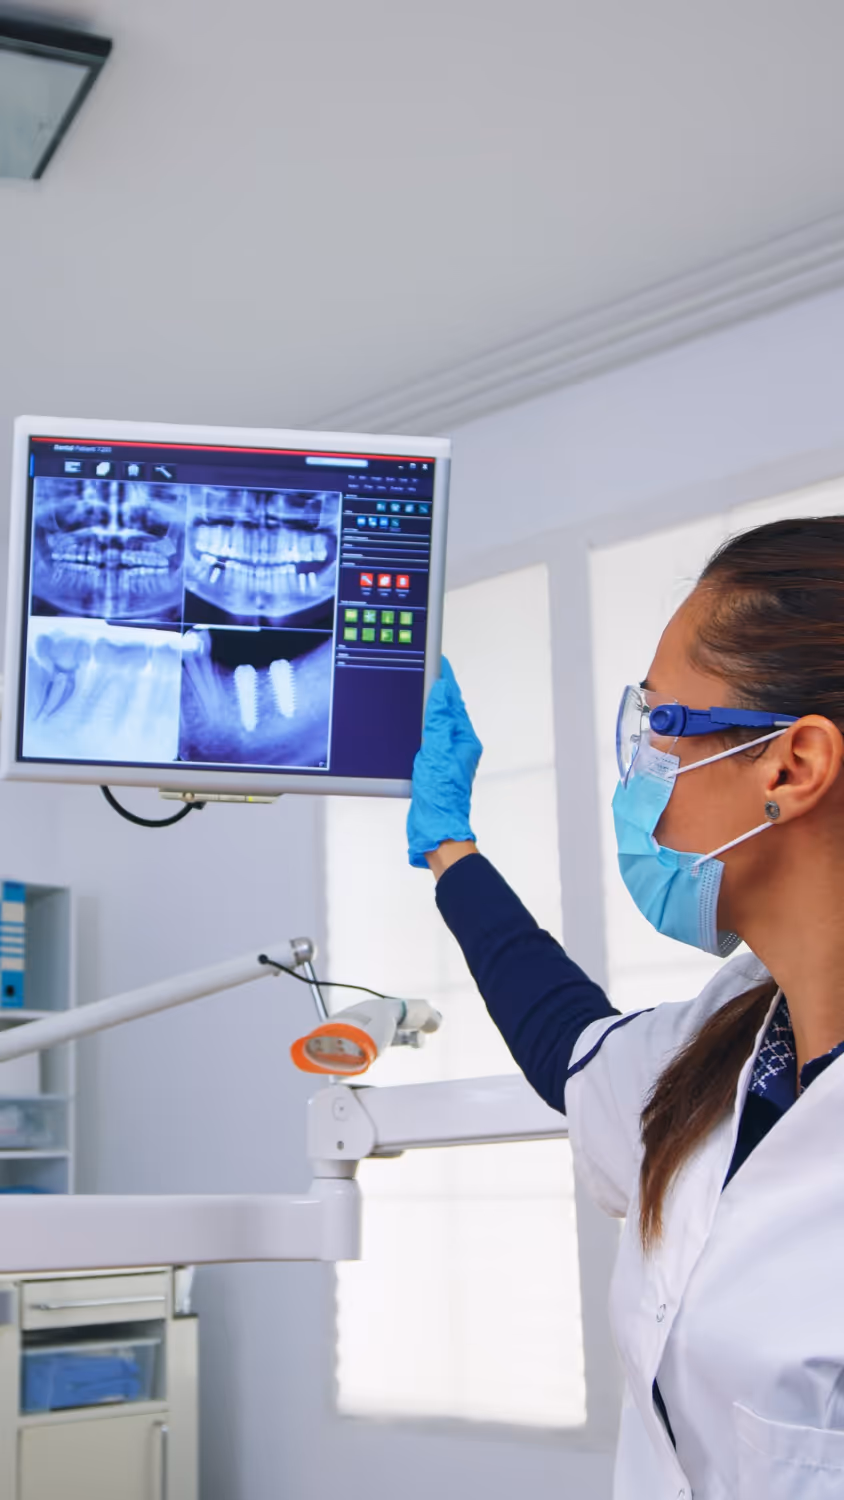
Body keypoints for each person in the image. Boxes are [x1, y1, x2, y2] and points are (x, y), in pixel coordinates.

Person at [406, 517, 844, 1500]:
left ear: (790, 767)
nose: (639, 766)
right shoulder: (737, 1034)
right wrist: (449, 846)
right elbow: (570, 1045)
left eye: (660, 724)